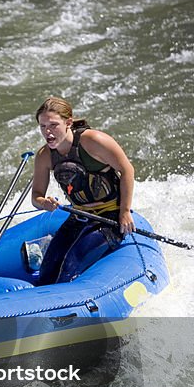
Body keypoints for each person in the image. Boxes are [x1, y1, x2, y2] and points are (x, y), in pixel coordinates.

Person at [30, 96, 135, 285]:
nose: (48, 132)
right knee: (48, 270)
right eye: (43, 126)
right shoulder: (44, 156)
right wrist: (44, 203)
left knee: (72, 260)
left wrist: (125, 212)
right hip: (79, 215)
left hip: (110, 216)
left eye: (53, 125)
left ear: (68, 123)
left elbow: (127, 170)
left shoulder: (93, 140)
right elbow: (36, 196)